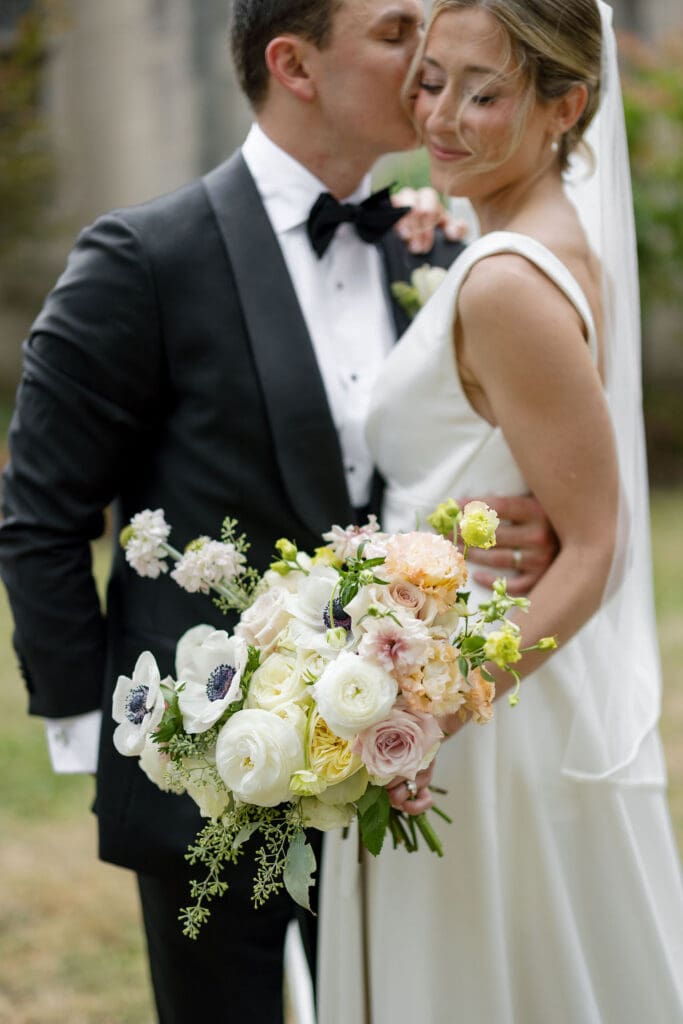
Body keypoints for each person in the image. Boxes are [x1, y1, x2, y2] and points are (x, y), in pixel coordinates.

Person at [0, 1, 558, 1021]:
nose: (426, 60)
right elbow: (40, 517)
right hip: (214, 760)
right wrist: (110, 740)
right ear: (294, 64)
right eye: (394, 35)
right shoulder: (141, 259)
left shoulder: (435, 245)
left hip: (405, 753)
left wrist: (511, 516)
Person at [318, 1, 683, 1021]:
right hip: (477, 673)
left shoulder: (504, 282)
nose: (439, 115)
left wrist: (433, 716)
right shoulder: (532, 240)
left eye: (483, 94)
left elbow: (596, 546)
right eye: (431, 80)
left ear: (565, 107)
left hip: (477, 706)